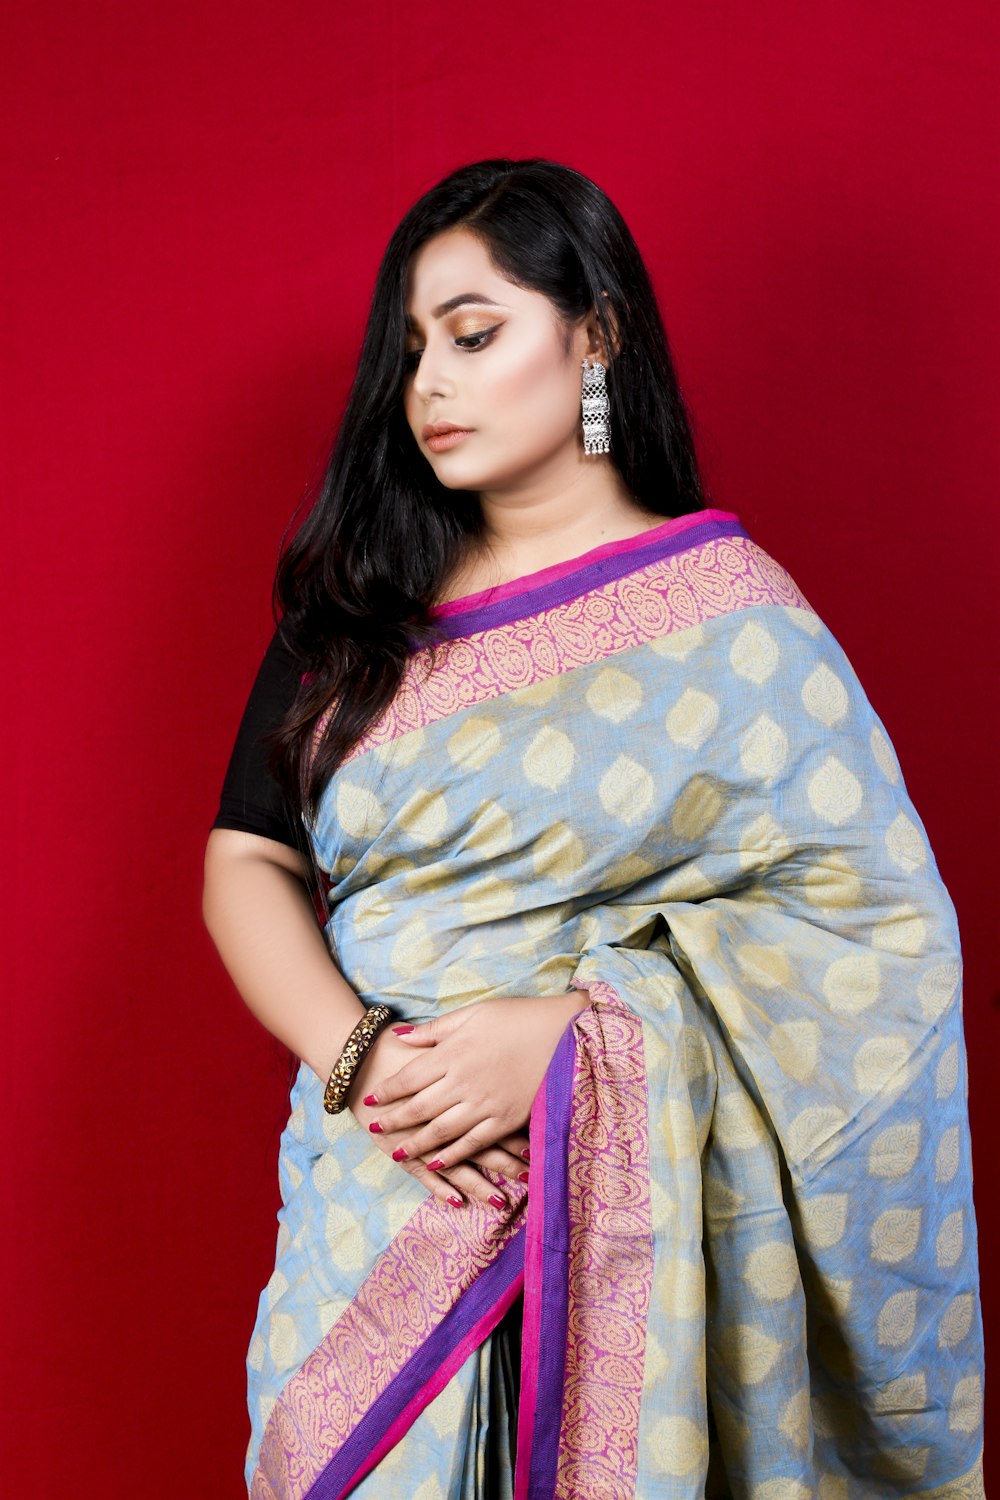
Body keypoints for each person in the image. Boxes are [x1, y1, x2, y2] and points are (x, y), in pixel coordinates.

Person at [202, 158, 985, 1499]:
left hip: (635, 1221)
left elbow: (875, 946)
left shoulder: (735, 627)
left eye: (474, 332)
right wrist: (362, 1056)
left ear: (597, 333)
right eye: (411, 351)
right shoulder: (359, 609)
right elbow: (246, 858)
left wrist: (583, 1038)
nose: (430, 384)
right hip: (376, 1194)